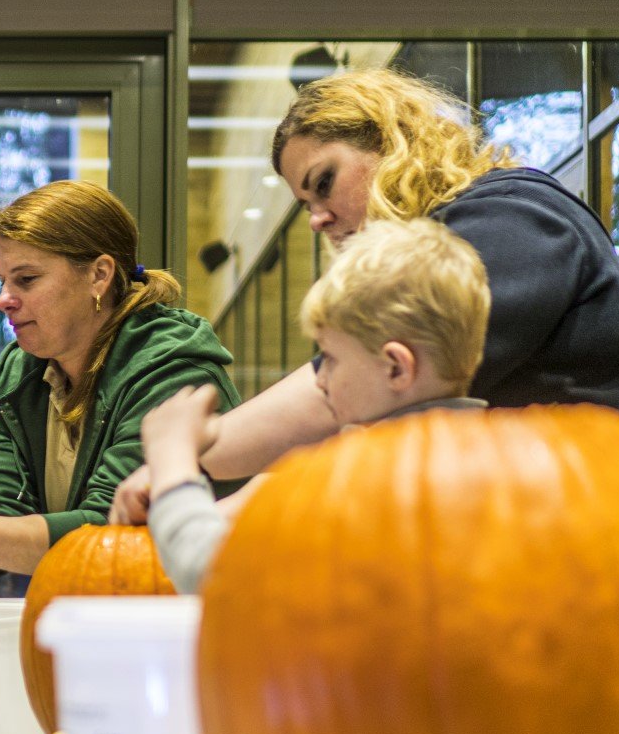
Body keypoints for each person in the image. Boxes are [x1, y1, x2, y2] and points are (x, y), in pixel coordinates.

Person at [158, 67, 619, 497]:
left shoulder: (512, 217)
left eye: (325, 183)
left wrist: (187, 455)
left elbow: (351, 384)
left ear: (391, 138)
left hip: (589, 517)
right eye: (305, 204)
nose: (316, 219)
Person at [0, 180, 241, 620]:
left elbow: (110, 528)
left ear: (99, 275)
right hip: (88, 621)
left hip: (192, 622)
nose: (3, 299)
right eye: (2, 280)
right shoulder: (12, 377)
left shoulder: (173, 369)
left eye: (26, 279)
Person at [118, 218, 490, 593]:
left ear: (396, 367)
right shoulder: (483, 457)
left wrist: (172, 461)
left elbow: (210, 571)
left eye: (329, 358)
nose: (321, 380)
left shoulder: (383, 472)